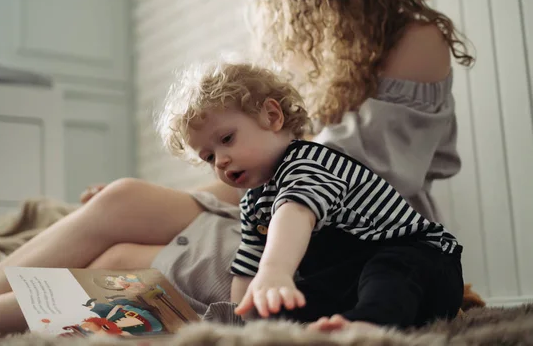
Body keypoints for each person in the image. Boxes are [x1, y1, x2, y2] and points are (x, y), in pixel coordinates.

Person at [0, 0, 474, 334]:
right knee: (119, 241)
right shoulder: (319, 69)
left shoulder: (411, 39)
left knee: (120, 240)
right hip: (286, 222)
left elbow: (326, 178)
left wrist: (259, 268)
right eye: (210, 154)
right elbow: (260, 178)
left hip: (346, 235)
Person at [157, 61, 463, 329]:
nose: (221, 161)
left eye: (227, 139)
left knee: (390, 268)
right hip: (351, 280)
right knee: (281, 307)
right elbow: (248, 270)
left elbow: (296, 212)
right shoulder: (252, 201)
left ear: (272, 117)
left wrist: (275, 271)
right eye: (209, 157)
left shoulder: (309, 162)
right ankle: (338, 325)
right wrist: (244, 320)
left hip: (424, 262)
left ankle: (368, 326)